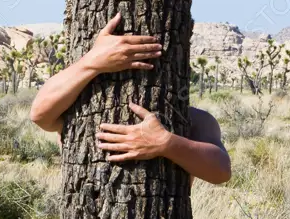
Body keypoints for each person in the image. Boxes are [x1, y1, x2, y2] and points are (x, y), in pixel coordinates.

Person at [29, 13, 231, 185]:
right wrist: (91, 62)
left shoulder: (191, 119)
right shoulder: (80, 104)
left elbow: (221, 172)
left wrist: (166, 143)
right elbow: (39, 114)